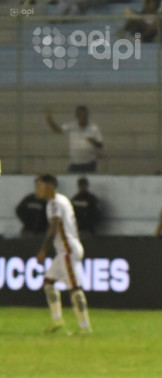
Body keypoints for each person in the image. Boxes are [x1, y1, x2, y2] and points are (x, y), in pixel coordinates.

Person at [35, 174, 92, 335]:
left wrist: (43, 249)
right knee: (48, 282)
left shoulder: (54, 203)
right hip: (65, 250)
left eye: (39, 186)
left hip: (67, 250)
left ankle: (85, 327)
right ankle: (57, 319)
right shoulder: (60, 201)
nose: (37, 190)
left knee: (74, 288)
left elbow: (54, 226)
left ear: (50, 186)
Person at [45, 105, 103, 173]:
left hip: (89, 164)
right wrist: (49, 119)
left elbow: (100, 145)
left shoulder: (94, 128)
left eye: (85, 115)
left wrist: (93, 141)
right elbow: (57, 130)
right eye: (80, 115)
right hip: (75, 163)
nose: (83, 117)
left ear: (87, 116)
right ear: (76, 116)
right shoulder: (71, 126)